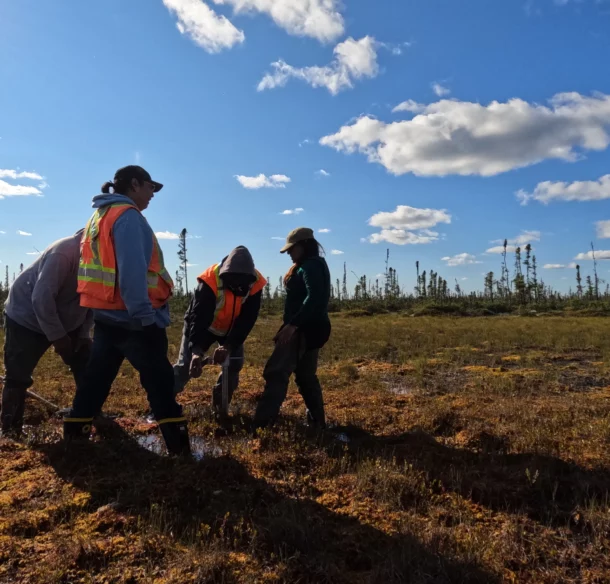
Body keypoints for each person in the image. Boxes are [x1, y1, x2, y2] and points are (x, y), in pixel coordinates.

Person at [63, 165, 190, 455]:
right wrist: (145, 317)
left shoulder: (99, 217)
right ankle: (180, 451)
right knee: (160, 383)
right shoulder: (129, 218)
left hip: (107, 316)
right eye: (149, 188)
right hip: (135, 320)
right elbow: (132, 273)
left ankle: (74, 440)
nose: (152, 195)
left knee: (95, 380)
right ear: (134, 184)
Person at [1, 231, 93, 436]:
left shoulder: (104, 256)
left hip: (69, 317)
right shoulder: (64, 252)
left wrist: (85, 334)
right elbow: (41, 300)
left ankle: (88, 415)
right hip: (26, 318)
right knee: (18, 376)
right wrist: (59, 338)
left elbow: (94, 299)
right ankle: (10, 431)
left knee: (86, 366)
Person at [173, 246, 266, 417]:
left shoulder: (255, 284)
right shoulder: (210, 281)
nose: (238, 287)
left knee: (234, 365)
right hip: (203, 326)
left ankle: (219, 408)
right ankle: (161, 405)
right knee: (186, 365)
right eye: (234, 283)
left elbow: (247, 320)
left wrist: (229, 346)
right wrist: (196, 352)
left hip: (231, 329)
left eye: (242, 284)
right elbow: (199, 318)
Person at [253, 227, 331, 430]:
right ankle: (318, 422)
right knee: (306, 376)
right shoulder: (311, 265)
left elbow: (315, 298)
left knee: (276, 372)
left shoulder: (310, 267)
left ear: (304, 246)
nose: (289, 253)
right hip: (312, 328)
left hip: (302, 330)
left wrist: (293, 326)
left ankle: (262, 425)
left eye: (291, 249)